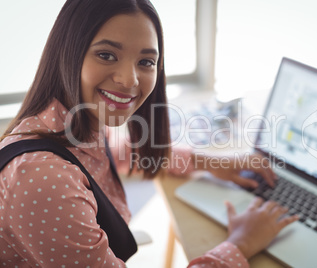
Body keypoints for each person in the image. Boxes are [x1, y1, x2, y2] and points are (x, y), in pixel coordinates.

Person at [0, 0, 298, 266]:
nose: (129, 80)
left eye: (146, 62)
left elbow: (121, 154)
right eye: (106, 55)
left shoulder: (72, 124)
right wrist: (240, 244)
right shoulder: (41, 177)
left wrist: (210, 162)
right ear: (68, 53)